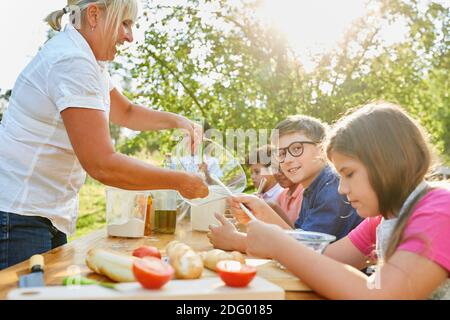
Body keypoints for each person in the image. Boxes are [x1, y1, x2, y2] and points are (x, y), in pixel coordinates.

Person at [0, 0, 208, 270]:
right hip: (17, 216)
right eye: (125, 23)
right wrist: (179, 182)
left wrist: (178, 121)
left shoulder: (88, 60)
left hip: (40, 214)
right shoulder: (71, 61)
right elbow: (102, 164)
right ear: (94, 14)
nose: (130, 36)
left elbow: (127, 112)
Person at [243, 102, 450, 299]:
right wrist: (273, 237)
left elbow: (382, 295)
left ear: (388, 164)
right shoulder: (380, 220)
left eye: (349, 174)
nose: (341, 189)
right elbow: (325, 258)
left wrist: (279, 245)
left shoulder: (440, 209)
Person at [208, 115, 362, 252]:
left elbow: (305, 250)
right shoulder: (311, 187)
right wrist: (260, 213)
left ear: (322, 148)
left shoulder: (333, 185)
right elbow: (297, 236)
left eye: (296, 148)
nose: (287, 160)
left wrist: (237, 241)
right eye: (281, 153)